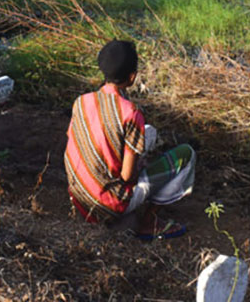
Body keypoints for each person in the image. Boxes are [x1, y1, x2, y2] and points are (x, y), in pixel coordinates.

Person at [64, 39, 195, 239]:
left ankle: (110, 206)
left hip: (80, 196)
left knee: (148, 133)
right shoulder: (130, 113)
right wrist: (140, 166)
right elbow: (127, 177)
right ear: (132, 77)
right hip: (109, 204)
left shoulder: (81, 102)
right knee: (187, 154)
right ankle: (149, 221)